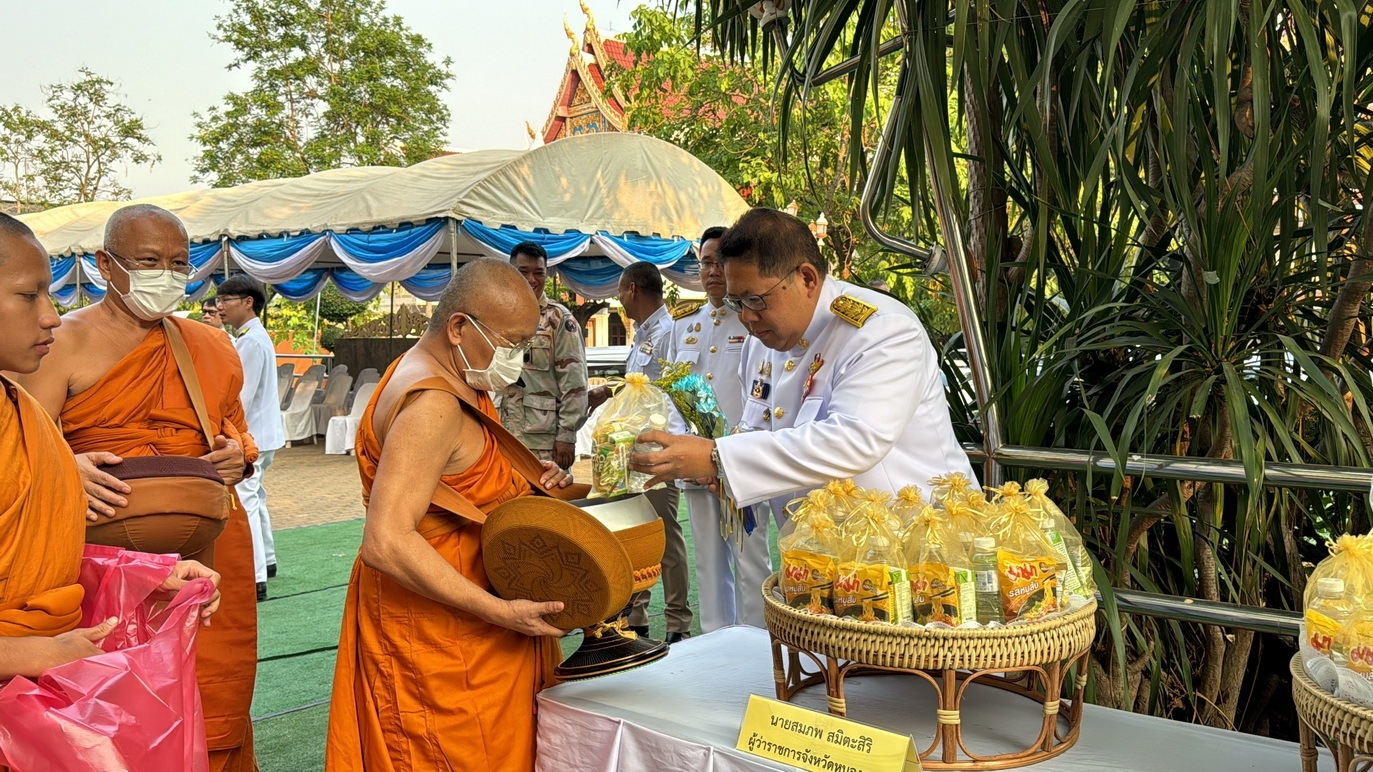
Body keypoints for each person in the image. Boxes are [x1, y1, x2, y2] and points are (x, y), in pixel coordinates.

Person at [14, 204, 261, 772]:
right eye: (149, 261)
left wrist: (234, 458)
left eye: (179, 263)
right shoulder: (59, 341)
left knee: (212, 690)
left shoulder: (211, 344)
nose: (167, 275)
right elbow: (23, 443)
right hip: (101, 554)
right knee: (112, 708)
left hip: (206, 545)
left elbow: (238, 436)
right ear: (106, 265)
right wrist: (67, 469)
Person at [326, 258, 578, 772]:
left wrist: (525, 479)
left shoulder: (436, 369)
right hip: (443, 626)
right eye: (509, 345)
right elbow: (387, 541)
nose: (516, 359)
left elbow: (457, 485)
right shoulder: (433, 403)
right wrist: (499, 612)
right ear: (459, 327)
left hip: (457, 613)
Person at [632, 207, 976, 533]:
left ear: (807, 279)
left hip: (917, 542)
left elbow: (853, 441)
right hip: (820, 551)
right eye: (737, 303)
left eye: (755, 299)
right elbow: (757, 428)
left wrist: (717, 458)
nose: (746, 317)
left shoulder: (881, 330)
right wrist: (722, 468)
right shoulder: (760, 341)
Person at [0, 211, 221, 680]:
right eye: (27, 296)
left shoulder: (18, 410)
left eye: (48, 294)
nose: (50, 316)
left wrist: (147, 574)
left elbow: (45, 553)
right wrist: (31, 655)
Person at [666, 227, 770, 631]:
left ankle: (760, 640)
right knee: (708, 560)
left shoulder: (754, 318)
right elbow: (673, 390)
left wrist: (739, 450)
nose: (712, 271)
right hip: (696, 461)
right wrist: (682, 447)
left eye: (719, 263)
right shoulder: (684, 324)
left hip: (741, 458)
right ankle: (716, 639)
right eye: (705, 262)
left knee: (750, 556)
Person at [586, 261, 692, 643]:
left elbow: (673, 394)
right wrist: (607, 393)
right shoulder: (645, 333)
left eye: (619, 291)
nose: (619, 299)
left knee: (664, 538)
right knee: (636, 535)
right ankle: (638, 618)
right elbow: (638, 393)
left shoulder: (670, 332)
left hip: (657, 451)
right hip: (631, 454)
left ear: (632, 289)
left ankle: (678, 622)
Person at [217, 275, 284, 602]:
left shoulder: (251, 341)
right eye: (220, 299)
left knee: (246, 500)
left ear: (248, 302)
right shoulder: (251, 337)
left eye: (227, 299)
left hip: (253, 433)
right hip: (263, 431)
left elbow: (241, 396)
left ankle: (255, 576)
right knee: (255, 496)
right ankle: (267, 561)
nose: (220, 306)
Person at [499, 241, 589, 470]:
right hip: (501, 435)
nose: (532, 280)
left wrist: (567, 435)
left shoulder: (559, 319)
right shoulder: (495, 316)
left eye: (538, 273)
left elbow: (575, 382)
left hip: (543, 441)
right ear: (511, 274)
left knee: (545, 504)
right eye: (523, 272)